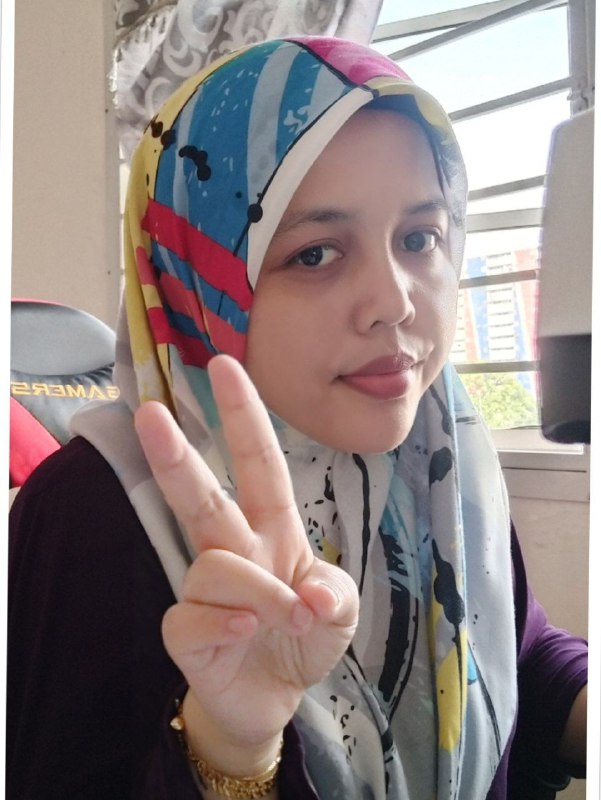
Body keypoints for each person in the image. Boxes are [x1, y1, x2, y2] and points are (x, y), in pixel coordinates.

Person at [8, 37, 587, 800]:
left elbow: (514, 651)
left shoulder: (440, 444)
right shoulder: (89, 512)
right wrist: (230, 747)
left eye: (419, 238)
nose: (394, 302)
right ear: (197, 280)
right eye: (315, 254)